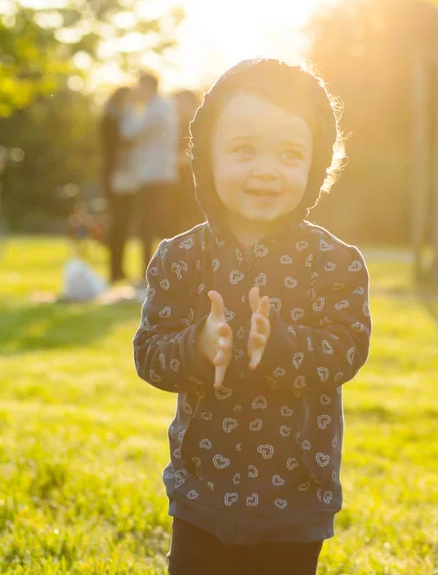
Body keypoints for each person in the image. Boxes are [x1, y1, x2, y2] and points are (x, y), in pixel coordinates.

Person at [133, 58, 372, 575]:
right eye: (244, 150)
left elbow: (347, 349)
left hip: (297, 493)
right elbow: (150, 352)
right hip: (201, 491)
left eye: (289, 154)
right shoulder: (180, 258)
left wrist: (282, 344)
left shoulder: (336, 262)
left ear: (316, 164)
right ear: (205, 159)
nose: (267, 170)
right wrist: (197, 344)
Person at [120, 72, 178, 279]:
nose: (137, 91)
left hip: (153, 176)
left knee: (148, 225)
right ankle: (165, 270)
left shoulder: (156, 110)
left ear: (148, 86)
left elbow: (129, 132)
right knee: (157, 223)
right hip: (160, 175)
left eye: (139, 86)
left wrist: (128, 108)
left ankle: (150, 273)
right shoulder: (164, 107)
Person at [101, 86, 138, 283]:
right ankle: (114, 269)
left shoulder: (122, 118)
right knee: (117, 223)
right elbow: (114, 146)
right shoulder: (111, 119)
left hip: (125, 177)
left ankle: (119, 269)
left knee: (123, 224)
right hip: (116, 176)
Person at [172, 90, 204, 232]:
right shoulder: (174, 126)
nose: (178, 107)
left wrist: (171, 159)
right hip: (177, 179)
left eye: (182, 103)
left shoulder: (199, 126)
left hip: (192, 180)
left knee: (193, 219)